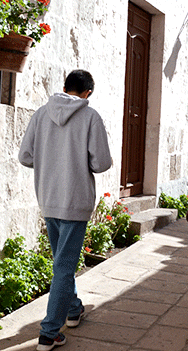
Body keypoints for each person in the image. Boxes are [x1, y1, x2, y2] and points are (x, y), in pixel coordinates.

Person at [18, 69, 113, 351]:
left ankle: (73, 310)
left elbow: (25, 156)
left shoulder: (41, 114)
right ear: (87, 93)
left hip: (48, 197)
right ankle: (49, 333)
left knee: (62, 262)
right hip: (75, 200)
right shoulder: (90, 116)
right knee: (64, 265)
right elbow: (101, 163)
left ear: (64, 87)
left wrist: (51, 161)